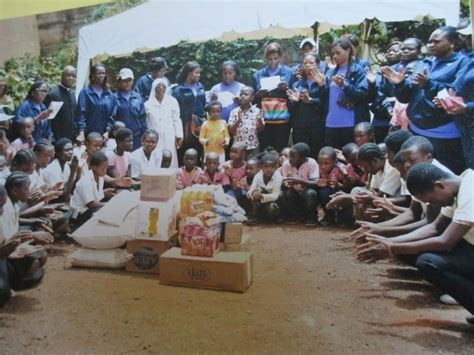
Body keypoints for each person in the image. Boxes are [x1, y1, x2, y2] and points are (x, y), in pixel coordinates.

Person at [356, 163, 474, 325]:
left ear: (439, 186)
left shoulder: (470, 192)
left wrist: (392, 247)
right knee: (419, 251)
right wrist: (388, 241)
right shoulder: (461, 182)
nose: (434, 205)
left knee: (428, 262)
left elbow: (445, 242)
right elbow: (435, 227)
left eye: (431, 200)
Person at [381, 27, 470, 175]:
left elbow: (457, 92)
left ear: (452, 43)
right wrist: (400, 83)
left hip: (445, 133)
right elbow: (405, 97)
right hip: (417, 130)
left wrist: (429, 84)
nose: (431, 45)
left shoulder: (462, 63)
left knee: (443, 177)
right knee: (420, 176)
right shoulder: (424, 63)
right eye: (429, 42)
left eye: (436, 41)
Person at [324, 38, 369, 149]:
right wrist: (321, 85)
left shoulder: (358, 70)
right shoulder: (330, 72)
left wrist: (345, 85)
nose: (335, 56)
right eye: (333, 53)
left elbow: (363, 95)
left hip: (350, 123)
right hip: (332, 122)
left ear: (348, 50)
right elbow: (326, 97)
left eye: (338, 53)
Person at [252, 42, 293, 152]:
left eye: (275, 58)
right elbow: (253, 98)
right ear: (266, 58)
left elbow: (293, 94)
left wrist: (286, 88)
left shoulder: (288, 72)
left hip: (282, 119)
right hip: (265, 120)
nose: (273, 62)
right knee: (265, 151)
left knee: (281, 150)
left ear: (280, 57)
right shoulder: (258, 75)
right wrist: (258, 94)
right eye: (270, 59)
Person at [287, 52, 326, 158]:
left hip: (316, 127)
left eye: (311, 62)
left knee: (315, 156)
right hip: (300, 128)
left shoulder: (322, 82)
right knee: (300, 157)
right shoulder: (297, 84)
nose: (308, 65)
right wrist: (294, 101)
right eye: (305, 63)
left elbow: (325, 103)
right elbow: (291, 109)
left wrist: (311, 100)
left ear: (317, 64)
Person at [366, 41, 401, 142]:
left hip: (398, 119)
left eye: (395, 50)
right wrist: (372, 84)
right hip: (380, 119)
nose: (390, 53)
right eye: (388, 51)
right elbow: (375, 95)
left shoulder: (406, 71)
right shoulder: (379, 72)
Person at [171, 61, 206, 162]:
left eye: (199, 73)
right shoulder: (178, 89)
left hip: (199, 124)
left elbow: (203, 104)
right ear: (189, 73)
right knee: (185, 150)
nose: (199, 75)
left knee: (199, 149)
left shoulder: (200, 87)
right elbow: (175, 109)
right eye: (196, 73)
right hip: (185, 124)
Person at [70, 151, 115, 228]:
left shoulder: (100, 178)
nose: (105, 171)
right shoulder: (86, 180)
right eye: (103, 169)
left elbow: (96, 196)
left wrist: (104, 193)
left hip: (88, 209)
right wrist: (110, 205)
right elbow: (91, 204)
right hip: (78, 214)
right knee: (104, 211)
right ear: (94, 167)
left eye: (106, 168)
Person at [146, 78, 183, 169]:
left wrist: (179, 135)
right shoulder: (147, 104)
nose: (161, 88)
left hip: (169, 135)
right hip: (154, 137)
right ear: (154, 88)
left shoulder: (172, 101)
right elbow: (146, 122)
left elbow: (176, 119)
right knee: (155, 158)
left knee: (170, 157)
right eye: (158, 86)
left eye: (164, 86)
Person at [279, 143, 319, 226]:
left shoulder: (311, 163)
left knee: (310, 193)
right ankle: (298, 215)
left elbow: (315, 183)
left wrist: (300, 181)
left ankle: (312, 216)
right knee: (284, 194)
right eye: (290, 156)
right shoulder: (286, 164)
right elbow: (284, 182)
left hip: (308, 191)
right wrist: (286, 183)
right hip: (294, 192)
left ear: (303, 158)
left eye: (293, 157)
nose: (290, 159)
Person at [76, 63, 117, 143]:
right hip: (88, 134)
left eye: (103, 73)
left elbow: (112, 115)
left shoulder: (109, 94)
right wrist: (81, 132)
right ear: (92, 75)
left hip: (104, 135)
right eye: (99, 73)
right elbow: (81, 113)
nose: (101, 75)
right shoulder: (85, 92)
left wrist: (108, 131)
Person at [114, 68, 146, 151]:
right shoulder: (114, 98)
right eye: (124, 81)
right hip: (120, 138)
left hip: (136, 137)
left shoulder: (138, 97)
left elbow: (142, 118)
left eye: (129, 80)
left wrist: (143, 134)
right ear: (119, 81)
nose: (127, 83)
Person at [247, 151, 282, 225]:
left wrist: (262, 196)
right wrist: (253, 193)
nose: (269, 169)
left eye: (272, 167)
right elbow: (251, 190)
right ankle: (255, 217)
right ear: (261, 167)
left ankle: (273, 219)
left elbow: (276, 195)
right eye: (266, 166)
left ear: (276, 167)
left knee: (272, 207)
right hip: (261, 201)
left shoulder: (278, 177)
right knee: (255, 196)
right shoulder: (258, 175)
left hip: (274, 201)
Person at [228, 86, 264, 158]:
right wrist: (238, 121)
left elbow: (261, 130)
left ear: (252, 98)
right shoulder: (234, 111)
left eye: (246, 94)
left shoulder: (257, 111)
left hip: (253, 147)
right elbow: (231, 131)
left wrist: (259, 120)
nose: (243, 96)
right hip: (238, 148)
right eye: (241, 94)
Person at [44, 66, 76, 141]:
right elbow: (48, 118)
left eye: (73, 76)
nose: (71, 78)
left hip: (70, 136)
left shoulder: (72, 93)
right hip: (57, 137)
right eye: (68, 75)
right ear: (62, 76)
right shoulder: (53, 94)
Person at [316, 146, 345, 226]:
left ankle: (341, 217)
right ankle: (328, 215)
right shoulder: (316, 170)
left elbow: (346, 186)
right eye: (320, 163)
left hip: (335, 193)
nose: (323, 166)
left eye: (326, 163)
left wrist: (337, 184)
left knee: (326, 192)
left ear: (334, 162)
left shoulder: (339, 170)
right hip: (323, 195)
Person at [199, 100, 230, 166]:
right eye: (213, 112)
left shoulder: (223, 122)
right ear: (209, 113)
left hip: (220, 152)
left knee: (220, 168)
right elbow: (201, 138)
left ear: (221, 112)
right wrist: (205, 141)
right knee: (209, 169)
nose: (215, 113)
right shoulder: (205, 124)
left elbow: (227, 136)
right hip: (209, 152)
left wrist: (226, 142)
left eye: (218, 111)